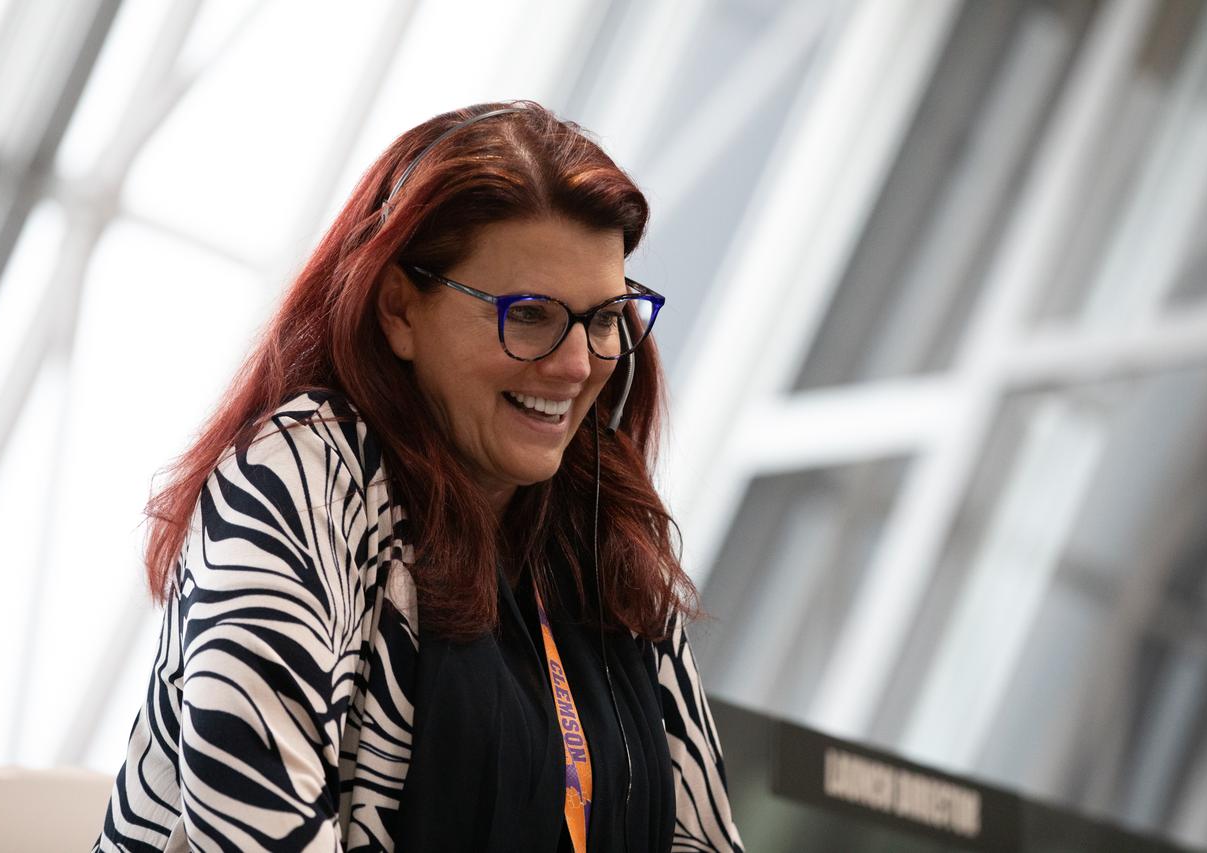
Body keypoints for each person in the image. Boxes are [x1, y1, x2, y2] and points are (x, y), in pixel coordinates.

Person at [93, 99, 745, 853]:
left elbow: (701, 834)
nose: (576, 363)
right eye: (529, 314)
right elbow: (253, 830)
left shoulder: (594, 521)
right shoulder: (299, 478)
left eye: (604, 318)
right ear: (400, 307)